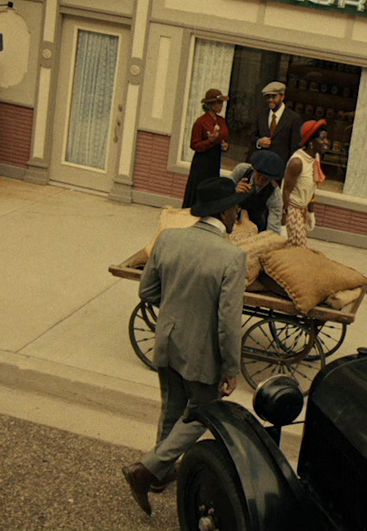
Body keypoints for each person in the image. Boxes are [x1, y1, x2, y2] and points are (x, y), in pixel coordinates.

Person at [121, 177, 247, 515]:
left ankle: (158, 476)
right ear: (225, 212)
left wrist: (177, 307)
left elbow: (147, 292)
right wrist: (231, 369)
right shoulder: (232, 257)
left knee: (173, 408)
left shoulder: (169, 239)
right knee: (204, 412)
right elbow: (227, 323)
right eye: (236, 207)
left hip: (168, 339)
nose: (239, 213)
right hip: (201, 351)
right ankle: (145, 470)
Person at [282, 120, 329, 247]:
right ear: (311, 143)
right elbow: (285, 191)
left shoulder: (315, 158)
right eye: (322, 139)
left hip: (302, 209)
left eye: (326, 138)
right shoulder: (298, 162)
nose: (326, 142)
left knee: (295, 250)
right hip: (291, 209)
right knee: (299, 249)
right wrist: (282, 223)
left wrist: (310, 213)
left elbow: (312, 188)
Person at [182, 88, 231, 208]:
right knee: (200, 186)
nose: (221, 106)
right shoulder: (201, 122)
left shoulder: (222, 120)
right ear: (210, 105)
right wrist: (210, 141)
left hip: (215, 158)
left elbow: (225, 137)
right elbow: (194, 145)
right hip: (203, 160)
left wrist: (225, 146)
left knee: (212, 186)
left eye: (222, 103)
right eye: (218, 103)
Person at [230, 149, 286, 236]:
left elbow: (273, 229)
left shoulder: (275, 194)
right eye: (258, 175)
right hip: (232, 220)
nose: (260, 180)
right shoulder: (242, 171)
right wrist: (234, 192)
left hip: (256, 227)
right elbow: (221, 196)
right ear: (254, 169)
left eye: (265, 179)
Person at [253, 81, 302, 158]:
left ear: (282, 97)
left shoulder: (293, 118)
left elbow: (295, 146)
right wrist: (259, 142)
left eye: (274, 96)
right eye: (268, 97)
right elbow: (252, 136)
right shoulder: (261, 115)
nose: (270, 100)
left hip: (280, 165)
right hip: (261, 162)